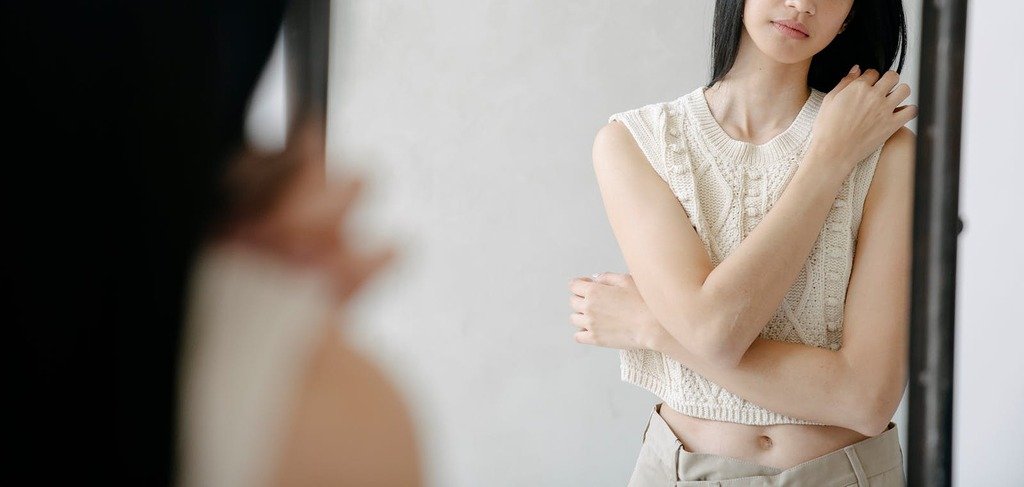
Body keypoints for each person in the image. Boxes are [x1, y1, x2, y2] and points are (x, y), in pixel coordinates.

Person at [568, 0, 917, 484]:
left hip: (846, 473)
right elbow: (716, 331)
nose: (803, 4)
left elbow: (864, 400)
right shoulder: (636, 141)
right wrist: (827, 161)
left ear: (853, 14)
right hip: (682, 472)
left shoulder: (887, 148)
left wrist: (653, 329)